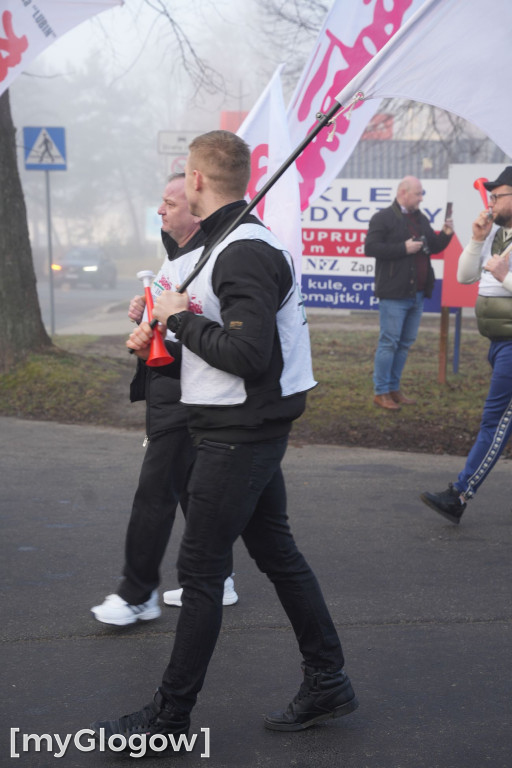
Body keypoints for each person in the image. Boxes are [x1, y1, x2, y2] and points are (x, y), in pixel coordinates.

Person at [91, 131, 357, 750]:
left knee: (202, 573)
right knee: (278, 555)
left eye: (182, 178)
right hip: (237, 425)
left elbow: (246, 353)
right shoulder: (222, 246)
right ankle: (328, 680)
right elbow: (214, 336)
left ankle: (167, 719)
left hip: (240, 431)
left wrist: (181, 318)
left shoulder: (242, 251)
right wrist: (161, 320)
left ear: (197, 180)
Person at [91, 173, 237, 626]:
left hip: (186, 395)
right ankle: (221, 578)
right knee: (193, 493)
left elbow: (206, 340)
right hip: (174, 393)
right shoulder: (178, 256)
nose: (160, 210)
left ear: (195, 208)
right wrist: (146, 313)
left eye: (170, 203)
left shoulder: (214, 259)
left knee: (155, 494)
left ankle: (138, 594)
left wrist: (156, 348)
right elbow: (171, 317)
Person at [420, 167, 512, 524]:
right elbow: (464, 276)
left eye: (497, 196)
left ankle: (459, 494)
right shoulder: (499, 234)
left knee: (494, 422)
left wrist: (504, 276)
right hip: (499, 343)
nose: (490, 202)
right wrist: (476, 240)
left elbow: (501, 280)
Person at [365, 176, 454, 410]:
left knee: (404, 344)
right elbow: (370, 247)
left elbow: (433, 247)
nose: (421, 197)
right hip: (394, 293)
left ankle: (394, 389)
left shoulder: (420, 218)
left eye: (422, 193)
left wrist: (445, 234)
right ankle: (381, 391)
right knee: (389, 342)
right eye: (418, 193)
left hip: (417, 293)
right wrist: (403, 248)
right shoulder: (383, 217)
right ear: (403, 192)